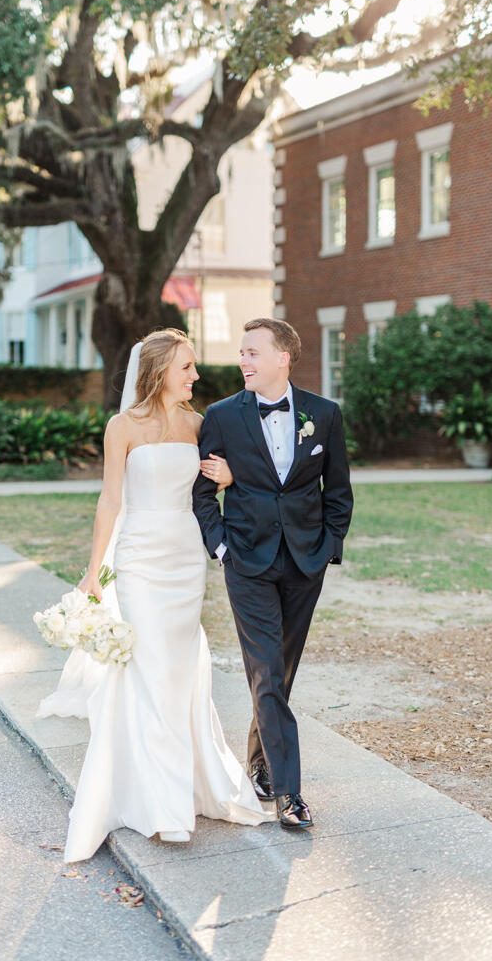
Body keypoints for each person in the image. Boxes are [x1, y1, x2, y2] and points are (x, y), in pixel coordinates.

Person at [36, 328, 274, 862]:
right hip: (140, 557)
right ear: (160, 370)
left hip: (186, 557)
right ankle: (161, 800)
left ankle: (186, 783)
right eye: (187, 367)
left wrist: (232, 475)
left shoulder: (201, 424)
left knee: (177, 669)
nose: (196, 376)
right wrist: (93, 572)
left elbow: (228, 485)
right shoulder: (121, 427)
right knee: (146, 668)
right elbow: (109, 501)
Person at [192, 317, 353, 831]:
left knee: (279, 672)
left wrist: (329, 544)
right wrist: (221, 547)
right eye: (242, 352)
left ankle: (260, 763)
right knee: (265, 670)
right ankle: (289, 793)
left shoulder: (324, 415)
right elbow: (202, 493)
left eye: (253, 352)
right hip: (247, 561)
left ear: (284, 357)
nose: (244, 360)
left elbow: (339, 491)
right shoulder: (220, 416)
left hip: (305, 561)